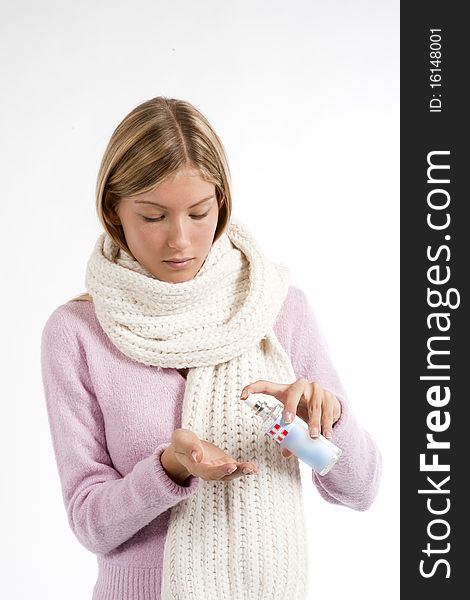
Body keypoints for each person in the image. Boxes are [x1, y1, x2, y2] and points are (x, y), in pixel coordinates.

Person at [40, 96, 382, 600]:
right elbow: (90, 523)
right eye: (154, 217)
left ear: (221, 202)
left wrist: (322, 423)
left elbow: (361, 489)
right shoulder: (78, 333)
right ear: (114, 211)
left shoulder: (276, 309)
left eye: (199, 213)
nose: (180, 240)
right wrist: (167, 471)